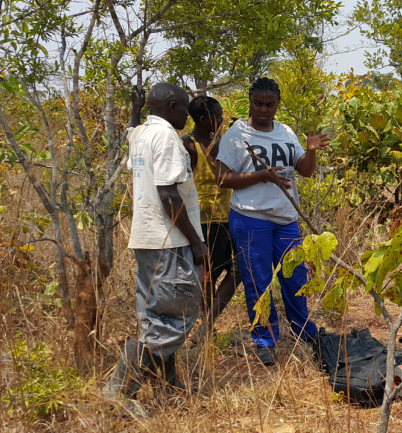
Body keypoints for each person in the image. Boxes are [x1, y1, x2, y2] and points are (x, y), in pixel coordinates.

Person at [215, 77, 330, 365]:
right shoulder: (237, 134)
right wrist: (262, 176)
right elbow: (221, 177)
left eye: (270, 105)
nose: (264, 110)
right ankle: (265, 339)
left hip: (286, 218)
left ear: (277, 105)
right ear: (249, 103)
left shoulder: (285, 131)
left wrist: (312, 150)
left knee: (295, 277)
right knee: (259, 282)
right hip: (251, 218)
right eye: (258, 104)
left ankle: (303, 331)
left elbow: (303, 171)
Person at [104, 83, 205, 408]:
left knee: (159, 314)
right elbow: (168, 195)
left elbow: (130, 134)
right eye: (185, 109)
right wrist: (196, 241)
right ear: (174, 106)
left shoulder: (143, 134)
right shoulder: (166, 137)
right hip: (169, 241)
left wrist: (135, 110)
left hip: (148, 240)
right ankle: (119, 392)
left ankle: (168, 386)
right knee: (173, 318)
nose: (188, 116)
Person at [181, 96, 241, 345]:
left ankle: (207, 325)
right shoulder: (188, 145)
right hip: (204, 222)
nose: (222, 120)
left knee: (240, 270)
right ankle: (207, 330)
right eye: (218, 116)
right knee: (208, 276)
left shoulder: (221, 143)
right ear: (204, 120)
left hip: (229, 218)